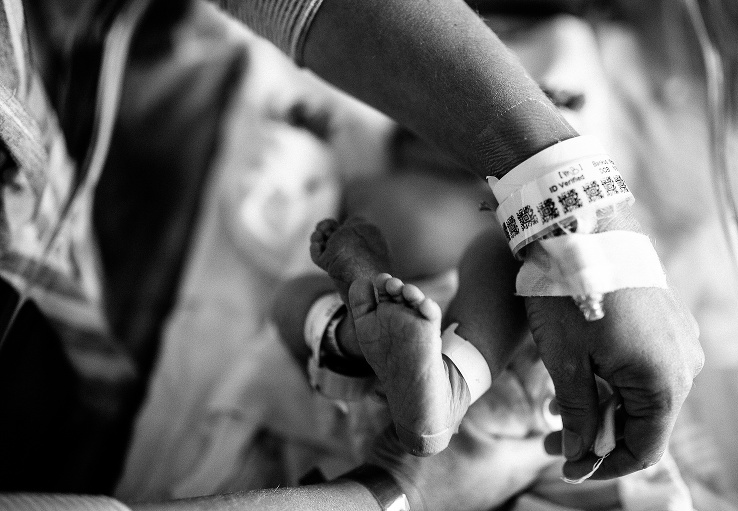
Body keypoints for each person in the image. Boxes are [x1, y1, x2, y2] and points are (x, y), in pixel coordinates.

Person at [1, 0, 701, 508]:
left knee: (311, 299)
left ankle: (376, 341)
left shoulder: (455, 192)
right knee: (498, 262)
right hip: (447, 389)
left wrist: (565, 201)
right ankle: (422, 364)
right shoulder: (410, 178)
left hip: (374, 361)